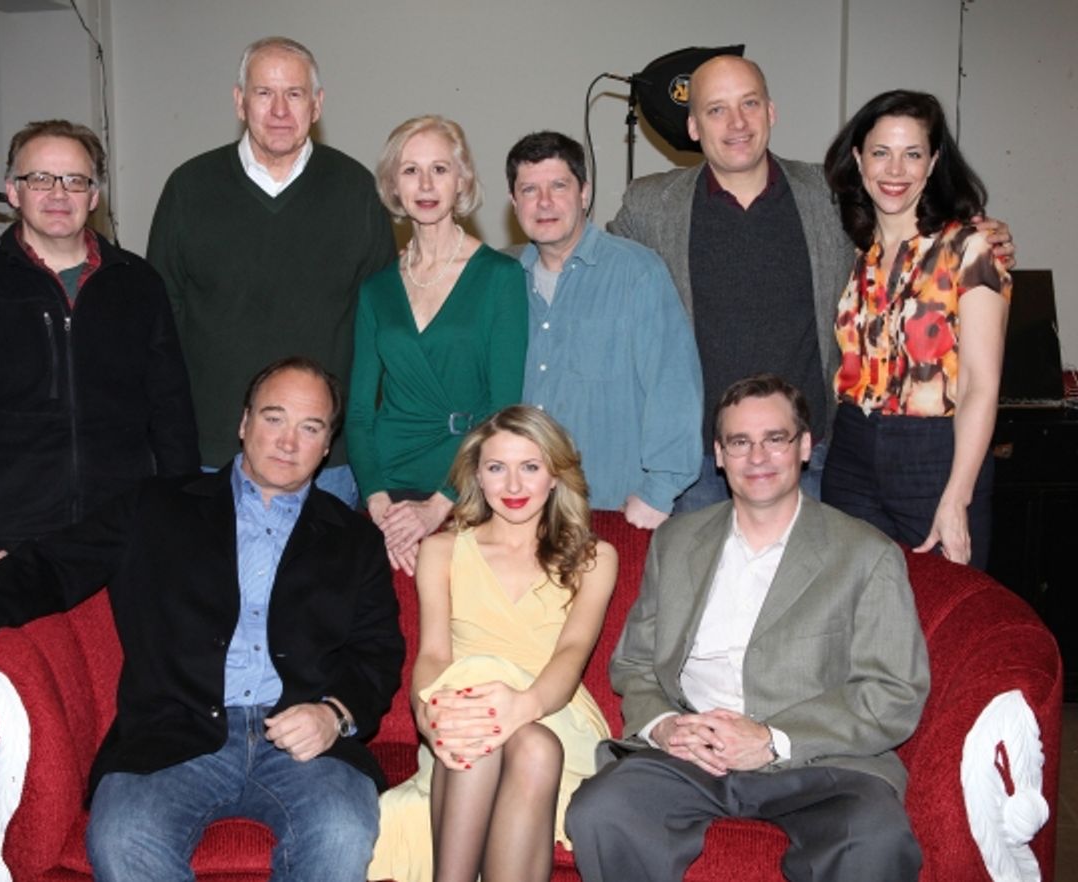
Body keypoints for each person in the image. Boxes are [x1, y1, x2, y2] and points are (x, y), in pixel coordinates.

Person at [0, 357, 405, 882]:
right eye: (274, 418)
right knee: (121, 839)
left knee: (343, 835)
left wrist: (333, 714)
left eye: (309, 427)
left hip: (305, 743)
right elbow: (52, 565)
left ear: (327, 443)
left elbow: (377, 650)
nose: (288, 442)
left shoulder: (355, 540)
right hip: (173, 733)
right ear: (244, 423)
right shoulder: (156, 508)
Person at [566, 374, 930, 882]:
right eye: (740, 442)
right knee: (600, 811)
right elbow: (634, 663)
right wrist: (666, 726)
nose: (757, 457)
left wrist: (772, 739)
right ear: (718, 455)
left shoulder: (867, 555)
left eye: (775, 438)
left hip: (818, 763)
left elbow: (893, 692)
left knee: (872, 839)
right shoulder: (676, 542)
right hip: (693, 754)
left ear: (804, 446)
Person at [610, 55, 1013, 510]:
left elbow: (907, 223)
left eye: (749, 103)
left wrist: (977, 236)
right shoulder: (651, 208)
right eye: (716, 109)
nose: (737, 122)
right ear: (694, 127)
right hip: (700, 466)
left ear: (771, 112)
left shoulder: (832, 197)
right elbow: (592, 273)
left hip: (815, 460)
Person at [0, 119, 198, 581]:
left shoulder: (140, 286)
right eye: (40, 179)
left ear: (93, 196)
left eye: (75, 180)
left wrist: (173, 526)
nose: (57, 193)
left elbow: (173, 420)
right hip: (11, 544)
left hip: (124, 538)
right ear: (13, 191)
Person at [368, 405, 616, 882]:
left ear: (556, 477)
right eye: (497, 468)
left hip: (553, 709)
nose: (514, 486)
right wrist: (428, 716)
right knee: (494, 713)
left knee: (518, 727)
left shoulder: (595, 556)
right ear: (477, 477)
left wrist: (522, 705)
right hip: (462, 713)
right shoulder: (441, 550)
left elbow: (572, 653)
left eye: (530, 467)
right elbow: (435, 654)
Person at [147, 36, 395, 506]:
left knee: (322, 581)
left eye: (295, 94)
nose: (280, 110)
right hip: (213, 456)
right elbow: (160, 326)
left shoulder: (357, 191)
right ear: (240, 102)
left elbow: (381, 330)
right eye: (264, 93)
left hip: (329, 463)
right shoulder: (189, 188)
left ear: (317, 104)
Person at [820, 90, 1012, 569]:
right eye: (881, 153)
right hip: (851, 451)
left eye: (913, 154)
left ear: (933, 163)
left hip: (936, 456)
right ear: (859, 159)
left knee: (942, 619)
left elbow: (980, 387)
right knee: (856, 615)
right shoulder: (857, 254)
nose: (895, 170)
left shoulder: (971, 250)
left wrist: (956, 496)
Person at [347, 116, 527, 574]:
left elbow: (503, 408)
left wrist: (439, 505)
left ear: (462, 180)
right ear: (393, 184)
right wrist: (379, 504)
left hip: (466, 483)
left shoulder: (500, 278)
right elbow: (360, 413)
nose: (425, 184)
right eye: (410, 170)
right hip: (384, 488)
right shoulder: (376, 289)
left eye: (440, 169)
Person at [508, 131, 702, 529]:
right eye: (529, 189)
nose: (544, 202)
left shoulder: (638, 272)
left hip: (611, 508)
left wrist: (659, 492)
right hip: (519, 510)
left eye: (558, 185)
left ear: (584, 193)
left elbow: (674, 386)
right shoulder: (502, 281)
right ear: (514, 203)